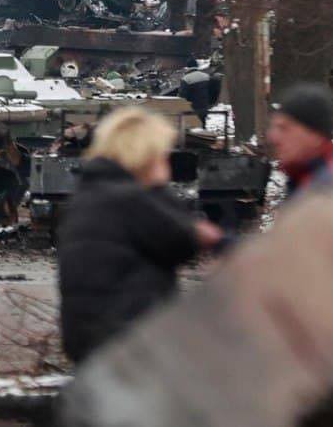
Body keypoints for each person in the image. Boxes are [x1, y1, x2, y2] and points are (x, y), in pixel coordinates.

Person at [57, 108, 223, 363]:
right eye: (162, 154)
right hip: (127, 340)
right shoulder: (129, 199)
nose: (167, 160)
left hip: (94, 338)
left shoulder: (91, 194)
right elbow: (181, 241)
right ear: (144, 154)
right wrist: (158, 188)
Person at [267, 82, 333, 198]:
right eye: (274, 127)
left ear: (313, 134)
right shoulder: (306, 176)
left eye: (284, 128)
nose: (273, 137)